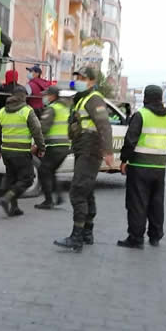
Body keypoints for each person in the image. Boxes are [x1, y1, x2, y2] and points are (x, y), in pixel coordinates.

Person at [54, 67, 114, 252]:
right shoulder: (80, 99)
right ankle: (87, 232)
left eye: (83, 78)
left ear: (92, 81)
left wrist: (108, 151)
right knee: (86, 191)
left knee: (78, 191)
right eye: (78, 77)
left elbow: (104, 125)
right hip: (83, 149)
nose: (79, 80)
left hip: (90, 150)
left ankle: (76, 237)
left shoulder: (94, 99)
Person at [117, 86, 166, 249]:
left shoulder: (141, 115)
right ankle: (155, 236)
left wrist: (124, 160)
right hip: (159, 168)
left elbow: (130, 140)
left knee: (137, 202)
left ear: (146, 97)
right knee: (156, 202)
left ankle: (136, 238)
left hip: (139, 166)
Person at [0, 86, 45, 216]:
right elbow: (37, 130)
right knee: (27, 179)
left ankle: (14, 208)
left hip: (6, 152)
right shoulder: (27, 111)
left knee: (12, 179)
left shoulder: (2, 112)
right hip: (21, 151)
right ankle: (7, 199)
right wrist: (41, 147)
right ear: (23, 96)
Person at [35, 86, 72, 209]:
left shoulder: (52, 109)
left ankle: (48, 201)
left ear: (52, 96)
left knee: (43, 170)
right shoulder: (65, 108)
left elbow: (43, 128)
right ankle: (59, 196)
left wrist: (37, 144)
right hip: (64, 146)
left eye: (47, 95)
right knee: (50, 170)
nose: (44, 97)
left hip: (55, 146)